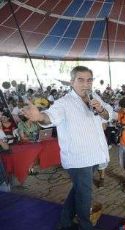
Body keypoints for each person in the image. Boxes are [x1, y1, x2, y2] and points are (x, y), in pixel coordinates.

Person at [22, 66, 113, 230]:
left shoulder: (95, 96)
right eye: (80, 80)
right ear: (72, 82)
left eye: (89, 80)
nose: (85, 84)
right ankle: (86, 226)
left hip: (96, 154)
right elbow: (50, 117)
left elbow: (110, 114)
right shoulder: (63, 103)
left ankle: (64, 223)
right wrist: (39, 117)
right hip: (79, 158)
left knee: (78, 190)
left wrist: (101, 110)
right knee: (84, 194)